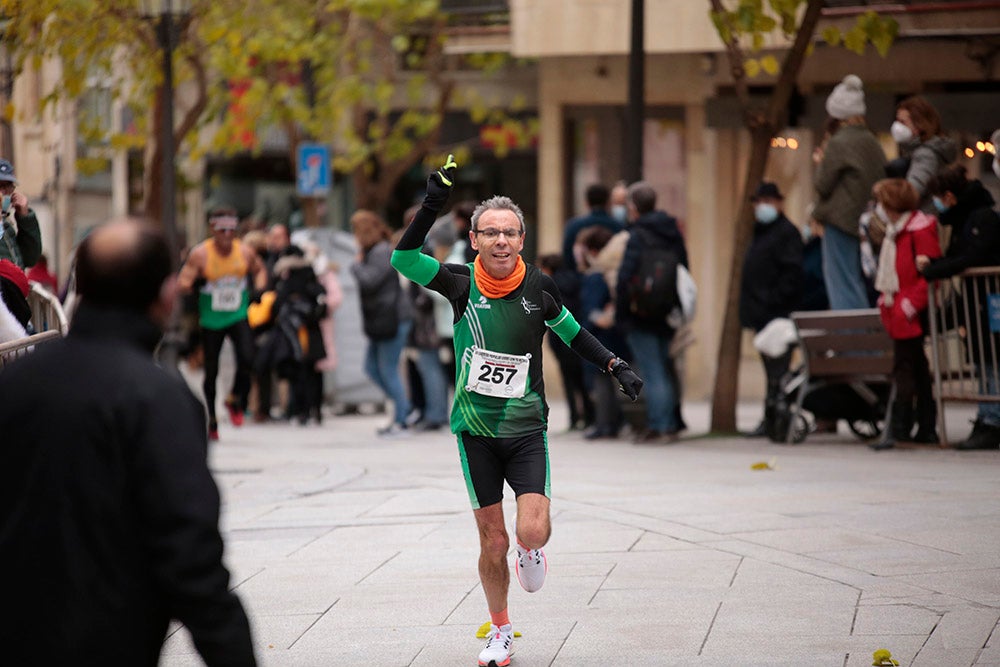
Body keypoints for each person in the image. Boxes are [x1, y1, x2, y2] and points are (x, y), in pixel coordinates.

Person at [390, 156, 643, 667]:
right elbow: (404, 259)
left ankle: (532, 549)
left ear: (522, 240)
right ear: (475, 239)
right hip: (474, 430)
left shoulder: (540, 287)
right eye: (491, 232)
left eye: (509, 232)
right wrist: (432, 204)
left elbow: (573, 334)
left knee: (529, 531)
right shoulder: (459, 283)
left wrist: (614, 365)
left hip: (527, 428)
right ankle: (501, 631)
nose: (501, 240)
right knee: (492, 540)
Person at [0, 218, 256, 666]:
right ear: (166, 294)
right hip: (106, 640)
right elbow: (187, 548)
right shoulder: (157, 398)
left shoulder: (15, 383)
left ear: (80, 289)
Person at [920, 165, 1000, 449]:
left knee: (991, 360)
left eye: (939, 198)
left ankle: (992, 420)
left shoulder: (982, 218)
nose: (938, 206)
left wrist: (935, 270)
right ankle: (987, 416)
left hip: (989, 303)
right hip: (977, 304)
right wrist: (936, 266)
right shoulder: (963, 219)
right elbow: (957, 256)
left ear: (950, 196)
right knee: (983, 360)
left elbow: (972, 257)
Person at [178, 206, 267, 440]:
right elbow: (183, 282)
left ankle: (234, 398)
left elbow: (260, 270)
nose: (227, 235)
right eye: (222, 230)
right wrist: (195, 284)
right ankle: (213, 421)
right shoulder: (201, 254)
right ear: (212, 229)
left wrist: (259, 289)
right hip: (212, 318)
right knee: (212, 370)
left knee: (248, 357)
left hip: (237, 313)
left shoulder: (244, 251)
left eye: (231, 229)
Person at [868, 179, 941, 450]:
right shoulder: (896, 232)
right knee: (917, 368)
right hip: (898, 307)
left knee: (905, 368)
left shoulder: (918, 229)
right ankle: (924, 427)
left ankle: (901, 428)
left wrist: (908, 306)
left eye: (882, 203)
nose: (879, 209)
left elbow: (930, 273)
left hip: (909, 311)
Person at [615, 180, 689, 443]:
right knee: (665, 369)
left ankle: (659, 425)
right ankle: (671, 423)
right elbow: (683, 270)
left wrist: (622, 312)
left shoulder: (638, 235)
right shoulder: (672, 231)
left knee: (652, 371)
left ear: (634, 207)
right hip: (666, 311)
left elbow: (625, 277)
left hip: (640, 313)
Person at [812, 74, 887, 310]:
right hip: (866, 222)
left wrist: (820, 162)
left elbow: (822, 184)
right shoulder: (872, 141)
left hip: (840, 221)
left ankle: (851, 333)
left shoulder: (838, 142)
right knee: (858, 281)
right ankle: (863, 331)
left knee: (841, 283)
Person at [738, 182, 804, 438]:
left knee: (778, 371)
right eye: (759, 202)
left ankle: (777, 418)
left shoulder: (786, 233)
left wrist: (773, 300)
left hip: (777, 314)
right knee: (771, 371)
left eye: (767, 201)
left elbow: (791, 274)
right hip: (762, 313)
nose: (762, 207)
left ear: (779, 203)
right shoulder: (762, 231)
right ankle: (771, 417)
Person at [350, 209, 414, 437]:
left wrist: (356, 266)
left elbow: (370, 281)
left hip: (393, 319)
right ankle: (402, 408)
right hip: (382, 320)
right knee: (372, 367)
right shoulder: (376, 250)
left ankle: (402, 419)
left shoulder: (380, 251)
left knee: (388, 369)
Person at [577, 225, 631, 439]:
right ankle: (614, 423)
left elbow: (591, 311)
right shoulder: (614, 271)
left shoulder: (595, 276)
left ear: (592, 251)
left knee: (601, 383)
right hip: (617, 337)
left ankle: (605, 425)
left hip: (599, 338)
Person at [537, 253, 595, 430]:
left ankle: (574, 418)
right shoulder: (577, 280)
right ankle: (590, 416)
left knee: (569, 382)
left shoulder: (549, 286)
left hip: (560, 339)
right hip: (578, 335)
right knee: (582, 381)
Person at [890, 95, 957, 208]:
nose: (897, 126)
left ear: (919, 126)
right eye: (897, 121)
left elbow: (912, 191)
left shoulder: (925, 155)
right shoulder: (925, 151)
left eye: (903, 122)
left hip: (923, 214)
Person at [561, 183, 625, 273]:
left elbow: (567, 256)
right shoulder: (619, 226)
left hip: (579, 276)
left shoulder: (573, 226)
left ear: (586, 202)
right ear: (608, 202)